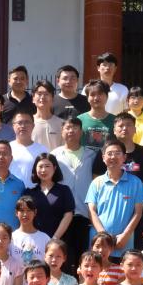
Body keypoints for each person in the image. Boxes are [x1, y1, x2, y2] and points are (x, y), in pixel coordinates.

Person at [51, 117, 97, 273]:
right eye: (67, 128)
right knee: (62, 256)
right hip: (62, 215)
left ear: (81, 132)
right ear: (62, 131)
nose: (71, 131)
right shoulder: (55, 155)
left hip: (84, 214)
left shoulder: (92, 155)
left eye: (75, 128)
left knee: (83, 257)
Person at [86, 140, 143, 256]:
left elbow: (138, 213)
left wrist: (126, 235)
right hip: (99, 244)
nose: (113, 157)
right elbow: (92, 212)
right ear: (103, 157)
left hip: (124, 242)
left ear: (124, 157)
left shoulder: (135, 183)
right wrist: (104, 237)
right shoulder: (96, 183)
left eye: (117, 153)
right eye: (109, 153)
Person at [94, 112, 143, 188]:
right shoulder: (105, 152)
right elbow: (96, 177)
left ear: (135, 129)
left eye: (128, 125)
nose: (124, 128)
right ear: (114, 130)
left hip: (139, 195)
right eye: (121, 126)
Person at [24, 153, 74, 240]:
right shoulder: (29, 193)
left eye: (47, 166)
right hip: (35, 240)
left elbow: (68, 215)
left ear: (54, 168)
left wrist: (55, 238)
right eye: (40, 167)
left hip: (59, 241)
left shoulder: (63, 190)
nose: (43, 170)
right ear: (35, 169)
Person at [8, 109, 48, 189]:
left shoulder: (42, 150)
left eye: (27, 122)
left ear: (33, 126)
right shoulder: (6, 148)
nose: (23, 126)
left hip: (34, 193)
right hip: (10, 192)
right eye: (19, 123)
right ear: (13, 126)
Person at [77, 80, 116, 151]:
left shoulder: (115, 120)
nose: (96, 98)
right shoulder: (79, 119)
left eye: (100, 94)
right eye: (92, 95)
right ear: (87, 98)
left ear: (107, 96)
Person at [11, 196, 50, 266]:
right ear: (16, 213)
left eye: (29, 210)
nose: (25, 214)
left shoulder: (45, 238)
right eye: (22, 210)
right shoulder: (11, 237)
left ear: (35, 212)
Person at [31, 80, 64, 150]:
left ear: (52, 99)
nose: (42, 97)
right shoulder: (27, 123)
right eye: (39, 94)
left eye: (46, 94)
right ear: (33, 99)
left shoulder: (61, 124)